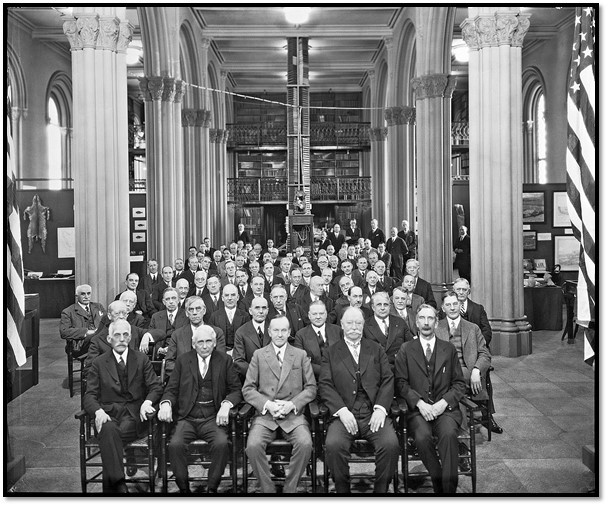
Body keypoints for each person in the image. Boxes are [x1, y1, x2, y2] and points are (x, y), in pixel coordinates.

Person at [319, 307, 399, 494]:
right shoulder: (331, 352)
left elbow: (388, 379)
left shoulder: (376, 349)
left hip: (373, 414)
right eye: (350, 323)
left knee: (390, 444)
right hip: (344, 414)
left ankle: (380, 492)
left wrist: (380, 409)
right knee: (333, 445)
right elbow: (325, 385)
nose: (354, 327)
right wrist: (342, 411)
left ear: (363, 325)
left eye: (358, 323)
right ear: (342, 325)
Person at [158, 325, 243, 494]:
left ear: (214, 343)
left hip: (212, 417)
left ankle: (212, 488)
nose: (204, 346)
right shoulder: (183, 360)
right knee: (175, 445)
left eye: (208, 342)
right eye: (201, 342)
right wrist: (166, 403)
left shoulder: (224, 360)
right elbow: (171, 389)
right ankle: (184, 489)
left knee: (221, 444)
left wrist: (226, 404)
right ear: (193, 343)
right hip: (187, 418)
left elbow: (236, 390)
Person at [83, 319, 162, 493]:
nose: (121, 338)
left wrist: (147, 402)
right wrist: (98, 411)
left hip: (134, 416)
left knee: (109, 434)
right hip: (109, 414)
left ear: (130, 338)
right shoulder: (99, 363)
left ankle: (113, 488)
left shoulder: (141, 359)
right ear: (109, 339)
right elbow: (89, 395)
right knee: (109, 428)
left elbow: (155, 387)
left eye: (125, 335)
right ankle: (118, 485)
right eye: (117, 335)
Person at [394, 304, 466, 494]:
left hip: (446, 410)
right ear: (416, 322)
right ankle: (438, 481)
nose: (426, 323)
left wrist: (444, 403)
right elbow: (401, 383)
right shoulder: (406, 349)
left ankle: (448, 492)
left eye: (430, 319)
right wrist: (419, 403)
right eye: (422, 319)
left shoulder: (448, 349)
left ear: (436, 322)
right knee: (422, 437)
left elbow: (459, 384)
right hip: (418, 410)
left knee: (449, 435)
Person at [242, 315, 317, 493]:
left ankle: (289, 489)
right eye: (276, 330)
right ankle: (268, 490)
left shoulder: (300, 355)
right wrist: (268, 404)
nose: (280, 334)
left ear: (289, 332)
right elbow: (248, 389)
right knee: (252, 446)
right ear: (269, 332)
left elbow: (311, 388)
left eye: (284, 330)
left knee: (305, 443)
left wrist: (292, 404)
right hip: (266, 415)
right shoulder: (259, 355)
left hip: (293, 415)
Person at [451, 279, 502, 434]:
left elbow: (487, 331)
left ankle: (488, 416)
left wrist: (477, 345)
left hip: (474, 351)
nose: (460, 292)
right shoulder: (448, 308)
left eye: (464, 290)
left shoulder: (477, 309)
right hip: (455, 354)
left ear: (469, 291)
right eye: (458, 289)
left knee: (483, 373)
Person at [164, 296, 226, 380]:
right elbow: (169, 363)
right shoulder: (177, 335)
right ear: (186, 313)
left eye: (198, 309)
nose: (194, 313)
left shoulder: (216, 332)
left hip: (210, 381)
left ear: (204, 311)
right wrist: (186, 377)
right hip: (184, 382)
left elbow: (221, 361)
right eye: (191, 309)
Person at [293, 300, 342, 380]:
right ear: (309, 315)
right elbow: (301, 362)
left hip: (338, 378)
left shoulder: (338, 331)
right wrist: (326, 371)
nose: (318, 317)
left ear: (326, 314)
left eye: (321, 313)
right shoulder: (300, 335)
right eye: (314, 314)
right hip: (314, 380)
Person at [363, 291, 413, 369]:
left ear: (390, 306)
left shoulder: (400, 322)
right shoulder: (365, 325)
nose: (382, 308)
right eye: (379, 304)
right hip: (375, 370)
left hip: (398, 369)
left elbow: (410, 346)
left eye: (385, 305)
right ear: (373, 307)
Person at [60, 284, 106, 358]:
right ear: (76, 296)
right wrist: (86, 332)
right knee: (97, 338)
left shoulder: (98, 306)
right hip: (80, 345)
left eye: (88, 293)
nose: (86, 296)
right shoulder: (68, 312)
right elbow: (64, 332)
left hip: (100, 341)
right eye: (83, 294)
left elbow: (107, 322)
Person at [232, 296, 271, 379]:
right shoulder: (241, 332)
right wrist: (257, 373)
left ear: (267, 310)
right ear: (250, 311)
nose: (261, 311)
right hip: (250, 380)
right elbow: (239, 361)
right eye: (257, 308)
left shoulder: (274, 329)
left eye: (264, 308)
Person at [208, 283, 251, 354]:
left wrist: (235, 352)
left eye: (233, 295)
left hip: (240, 353)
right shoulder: (214, 316)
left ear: (237, 297)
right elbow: (211, 338)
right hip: (219, 354)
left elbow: (247, 339)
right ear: (222, 298)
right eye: (227, 295)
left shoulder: (245, 316)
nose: (230, 298)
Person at [145, 287, 189, 356]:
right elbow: (151, 339)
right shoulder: (155, 317)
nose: (171, 301)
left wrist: (172, 349)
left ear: (178, 300)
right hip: (160, 357)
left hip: (180, 357)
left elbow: (188, 339)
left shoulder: (187, 316)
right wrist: (159, 350)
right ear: (163, 302)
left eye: (173, 298)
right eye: (167, 299)